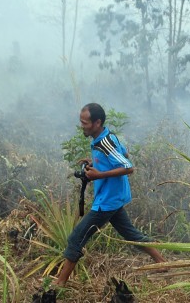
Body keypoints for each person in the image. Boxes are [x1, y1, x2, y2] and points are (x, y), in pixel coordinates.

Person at [53, 103, 165, 287]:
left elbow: (129, 167)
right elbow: (123, 153)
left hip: (106, 202)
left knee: (76, 238)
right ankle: (162, 262)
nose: (82, 126)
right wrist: (95, 161)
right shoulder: (103, 138)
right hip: (113, 198)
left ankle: (59, 284)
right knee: (130, 234)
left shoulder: (105, 142)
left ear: (97, 122)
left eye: (85, 122)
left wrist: (99, 174)